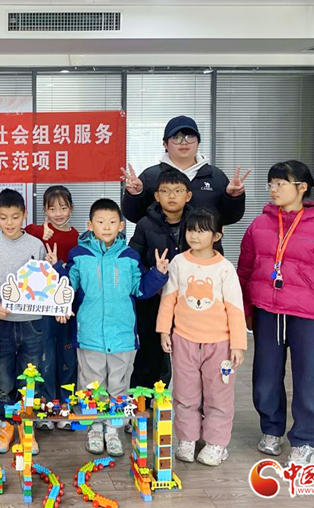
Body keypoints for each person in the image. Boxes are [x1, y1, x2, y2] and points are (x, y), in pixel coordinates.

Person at [237, 161, 314, 467]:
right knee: (265, 377)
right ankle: (271, 430)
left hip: (307, 317)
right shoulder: (259, 225)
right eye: (271, 184)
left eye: (280, 183)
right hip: (267, 313)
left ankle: (304, 440)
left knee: (309, 380)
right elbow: (245, 272)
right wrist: (245, 311)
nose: (273, 190)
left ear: (302, 188)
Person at [58, 198, 168, 457]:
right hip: (90, 335)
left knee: (119, 385)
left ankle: (114, 429)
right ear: (90, 225)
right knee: (91, 385)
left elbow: (140, 290)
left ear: (121, 225)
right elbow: (67, 288)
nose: (106, 227)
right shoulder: (79, 255)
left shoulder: (129, 257)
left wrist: (158, 274)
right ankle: (95, 428)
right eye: (100, 222)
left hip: (123, 337)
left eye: (111, 222)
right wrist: (56, 269)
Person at [156, 208, 247, 467]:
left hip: (219, 345)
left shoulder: (225, 269)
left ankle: (216, 443)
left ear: (217, 235)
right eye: (190, 229)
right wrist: (164, 330)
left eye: (202, 230)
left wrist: (238, 345)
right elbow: (168, 299)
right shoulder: (178, 262)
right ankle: (187, 439)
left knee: (219, 395)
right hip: (183, 340)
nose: (194, 235)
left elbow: (235, 309)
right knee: (185, 393)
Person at [0, 188, 46, 454]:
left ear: (24, 215)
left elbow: (46, 283)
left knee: (31, 375)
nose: (9, 223)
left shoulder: (36, 245)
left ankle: (26, 425)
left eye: (15, 217)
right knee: (3, 375)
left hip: (33, 322)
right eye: (4, 217)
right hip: (2, 322)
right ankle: (5, 424)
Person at [121, 115, 249, 234]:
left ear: (198, 142)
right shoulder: (151, 176)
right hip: (160, 249)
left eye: (190, 137)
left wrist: (233, 198)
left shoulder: (215, 176)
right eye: (176, 138)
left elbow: (230, 217)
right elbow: (135, 216)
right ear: (165, 144)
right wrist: (135, 195)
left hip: (205, 249)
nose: (184, 142)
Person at [128, 169, 193, 392]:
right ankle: (143, 403)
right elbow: (132, 260)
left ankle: (190, 404)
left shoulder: (199, 222)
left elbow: (212, 256)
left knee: (189, 353)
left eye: (178, 191)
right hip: (153, 298)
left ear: (188, 195)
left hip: (190, 299)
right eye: (165, 191)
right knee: (150, 353)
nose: (171, 196)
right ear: (156, 196)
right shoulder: (145, 224)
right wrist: (153, 279)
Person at [24, 185, 79, 431]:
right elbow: (22, 230)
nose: (58, 214)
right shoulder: (38, 233)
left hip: (68, 308)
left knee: (68, 357)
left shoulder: (78, 237)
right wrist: (40, 230)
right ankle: (46, 405)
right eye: (52, 208)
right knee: (45, 356)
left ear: (71, 208)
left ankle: (66, 406)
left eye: (63, 208)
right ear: (45, 210)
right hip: (44, 308)